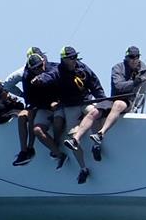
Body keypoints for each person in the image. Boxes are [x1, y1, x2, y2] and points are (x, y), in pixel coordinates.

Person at [35, 46, 108, 183]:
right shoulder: (57, 71)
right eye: (72, 58)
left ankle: (96, 145)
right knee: (71, 136)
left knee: (95, 112)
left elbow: (95, 84)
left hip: (85, 101)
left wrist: (103, 102)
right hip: (70, 107)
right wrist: (40, 80)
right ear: (64, 59)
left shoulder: (82, 68)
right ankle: (83, 168)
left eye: (76, 57)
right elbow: (48, 76)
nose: (75, 60)